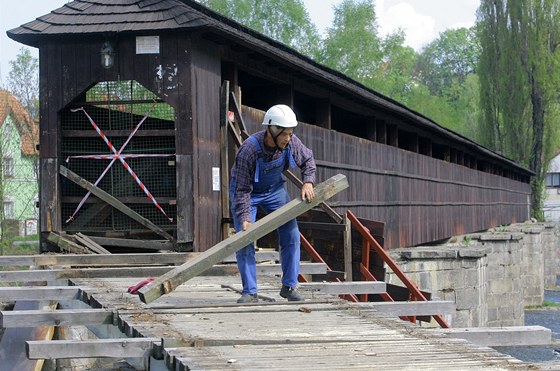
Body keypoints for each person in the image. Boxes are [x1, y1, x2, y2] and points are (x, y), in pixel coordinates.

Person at [229, 104, 316, 303]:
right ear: (271, 129)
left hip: (274, 191)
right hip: (247, 193)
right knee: (245, 239)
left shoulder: (291, 143)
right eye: (284, 134)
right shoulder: (249, 149)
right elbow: (241, 189)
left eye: (290, 133)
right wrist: (244, 218)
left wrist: (308, 182)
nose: (288, 138)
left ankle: (289, 286)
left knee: (291, 234)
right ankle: (250, 292)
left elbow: (308, 160)